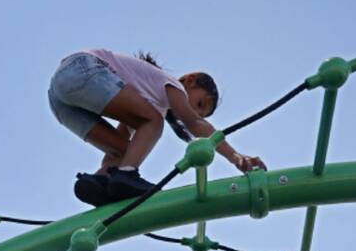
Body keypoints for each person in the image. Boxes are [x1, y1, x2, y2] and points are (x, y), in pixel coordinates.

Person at [47, 49, 266, 206]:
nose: (194, 112)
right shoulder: (172, 86)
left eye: (201, 112)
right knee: (154, 122)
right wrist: (236, 157)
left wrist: (112, 170)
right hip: (83, 68)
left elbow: (122, 141)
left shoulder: (142, 99)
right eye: (199, 104)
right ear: (190, 80)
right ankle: (126, 175)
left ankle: (100, 180)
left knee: (126, 150)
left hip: (58, 98)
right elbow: (195, 124)